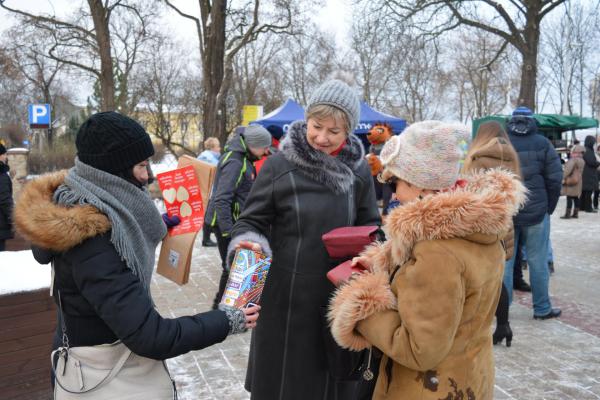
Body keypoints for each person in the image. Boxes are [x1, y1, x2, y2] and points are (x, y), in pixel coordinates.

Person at [12, 112, 259, 396]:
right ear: (112, 172)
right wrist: (228, 320)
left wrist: (155, 227)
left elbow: (118, 254)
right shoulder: (92, 241)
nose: (149, 175)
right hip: (106, 377)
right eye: (142, 165)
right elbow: (152, 337)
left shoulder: (80, 203)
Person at [328, 120, 525, 399]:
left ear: (422, 185)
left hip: (424, 388)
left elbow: (418, 350)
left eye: (396, 182)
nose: (394, 193)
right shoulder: (479, 229)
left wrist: (361, 305)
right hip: (466, 378)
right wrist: (386, 262)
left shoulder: (436, 251)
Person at [229, 79, 380, 399]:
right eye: (316, 126)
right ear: (306, 120)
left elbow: (370, 225)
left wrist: (369, 257)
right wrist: (249, 244)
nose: (322, 137)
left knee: (330, 382)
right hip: (285, 299)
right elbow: (251, 220)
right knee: (283, 383)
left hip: (337, 296)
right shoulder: (279, 165)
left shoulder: (359, 170)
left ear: (348, 131)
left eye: (334, 131)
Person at [462, 121, 521, 347]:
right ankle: (504, 325)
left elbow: (469, 192)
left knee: (483, 278)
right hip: (504, 221)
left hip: (482, 222)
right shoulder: (511, 157)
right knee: (496, 277)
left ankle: (484, 326)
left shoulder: (478, 158)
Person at [204, 124, 272, 310]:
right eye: (264, 147)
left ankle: (236, 308)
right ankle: (219, 310)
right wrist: (230, 231)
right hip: (226, 224)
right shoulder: (235, 161)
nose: (267, 151)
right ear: (253, 144)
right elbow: (221, 198)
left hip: (235, 222)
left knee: (238, 266)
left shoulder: (243, 157)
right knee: (232, 268)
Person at [504, 106, 562, 319]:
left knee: (505, 262)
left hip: (508, 210)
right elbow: (555, 179)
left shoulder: (502, 143)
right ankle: (542, 308)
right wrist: (549, 207)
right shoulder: (543, 143)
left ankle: (502, 310)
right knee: (538, 262)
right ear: (532, 121)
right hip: (537, 211)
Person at [197, 137, 222, 247]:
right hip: (210, 190)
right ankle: (206, 239)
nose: (219, 148)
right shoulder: (210, 158)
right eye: (218, 146)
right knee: (209, 214)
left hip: (204, 189)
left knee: (208, 214)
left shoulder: (203, 156)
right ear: (212, 147)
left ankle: (206, 238)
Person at [561, 145, 585, 219]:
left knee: (569, 197)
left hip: (571, 180)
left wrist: (562, 177)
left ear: (576, 152)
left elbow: (567, 171)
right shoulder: (582, 160)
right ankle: (576, 213)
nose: (572, 153)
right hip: (578, 180)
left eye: (573, 152)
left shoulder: (573, 160)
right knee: (576, 197)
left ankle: (567, 214)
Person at [580, 135, 600, 213]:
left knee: (584, 191)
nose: (594, 144)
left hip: (586, 173)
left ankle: (582, 207)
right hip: (589, 174)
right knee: (588, 191)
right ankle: (588, 208)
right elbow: (591, 162)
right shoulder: (589, 151)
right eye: (593, 142)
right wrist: (598, 163)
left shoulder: (585, 150)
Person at [0, 142, 13, 251]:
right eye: (4, 154)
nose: (6, 157)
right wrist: (13, 218)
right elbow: (5, 200)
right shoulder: (2, 176)